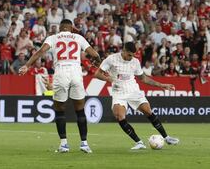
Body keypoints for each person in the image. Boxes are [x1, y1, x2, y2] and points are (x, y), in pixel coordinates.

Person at [19, 19, 101, 153]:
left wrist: (27, 66)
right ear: (71, 28)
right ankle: (84, 144)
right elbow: (95, 54)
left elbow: (40, 52)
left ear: (60, 28)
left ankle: (64, 144)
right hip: (76, 72)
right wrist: (97, 62)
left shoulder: (53, 37)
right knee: (80, 109)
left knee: (59, 109)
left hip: (61, 72)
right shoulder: (78, 37)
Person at [94, 42, 180, 150]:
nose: (132, 57)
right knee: (120, 116)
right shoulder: (111, 59)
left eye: (133, 55)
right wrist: (109, 79)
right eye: (130, 54)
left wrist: (161, 85)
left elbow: (143, 78)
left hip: (133, 90)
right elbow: (97, 74)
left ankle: (166, 137)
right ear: (124, 51)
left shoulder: (135, 62)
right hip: (119, 92)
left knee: (148, 111)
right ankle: (139, 142)